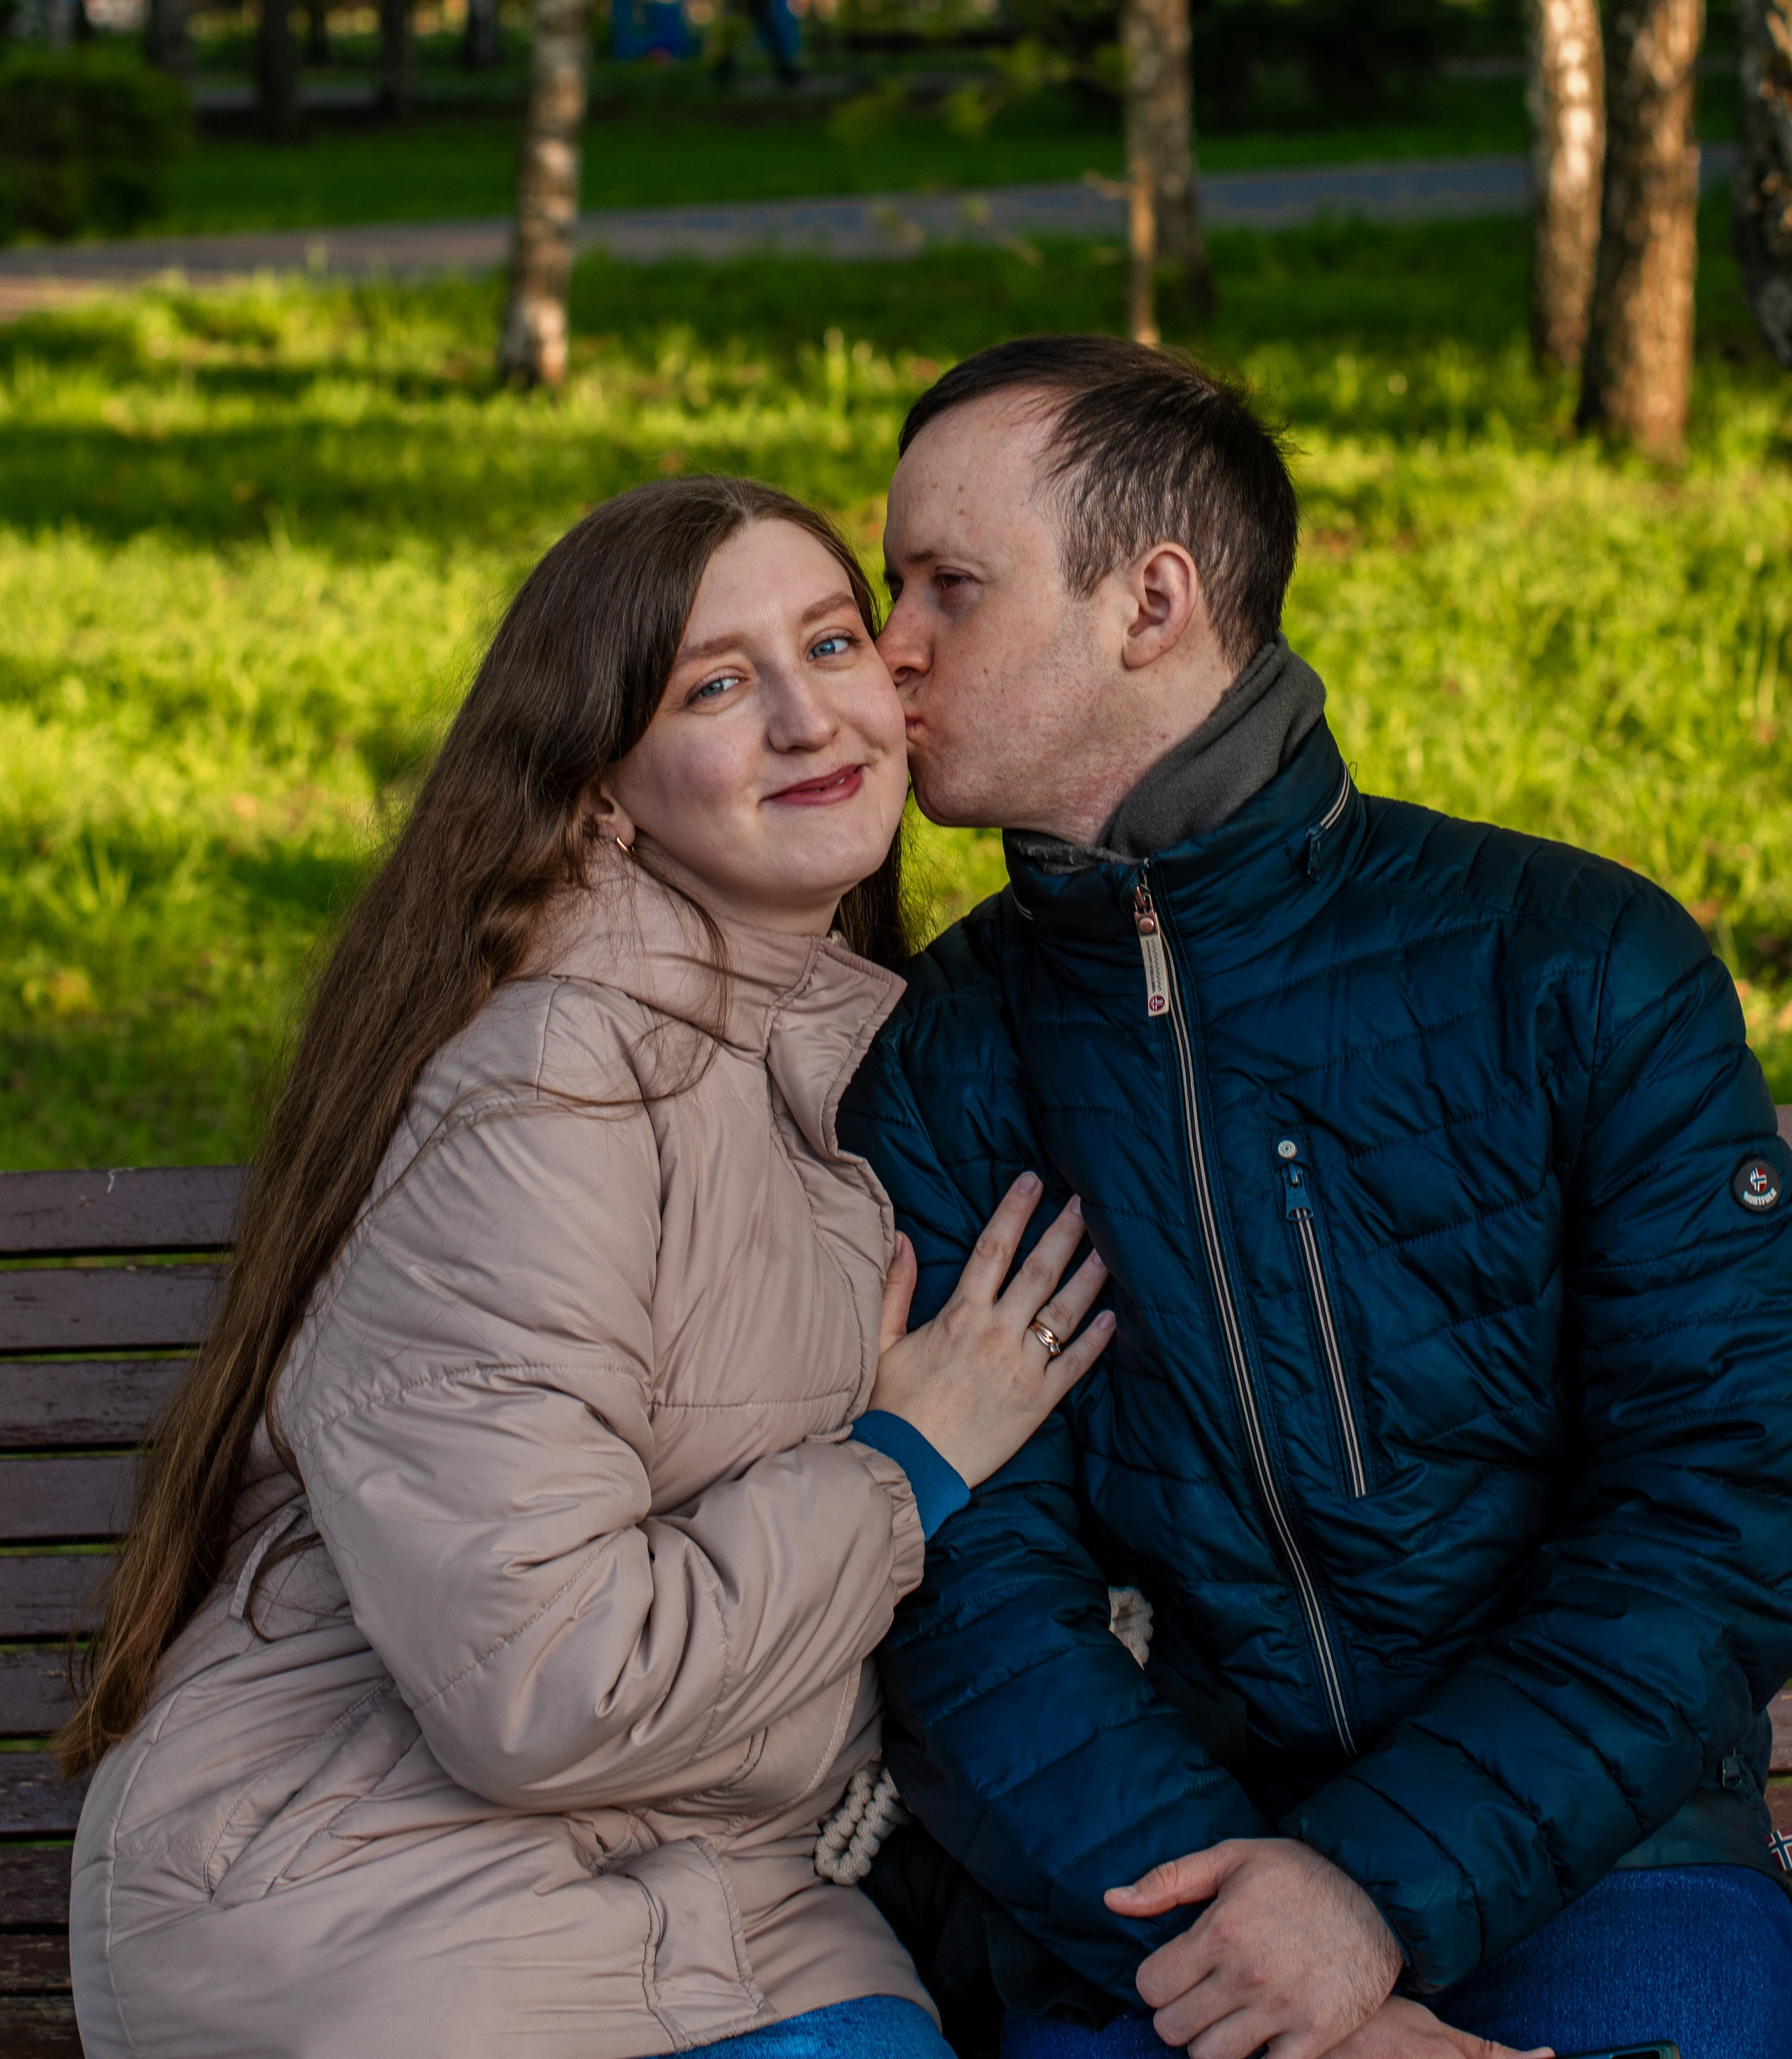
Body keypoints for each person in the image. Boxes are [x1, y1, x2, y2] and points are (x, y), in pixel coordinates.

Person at [63, 475, 1112, 2059]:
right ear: (604, 788)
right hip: (376, 1906)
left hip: (729, 1901)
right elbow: (544, 1684)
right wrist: (906, 1461)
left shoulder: (850, 1055)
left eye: (830, 645)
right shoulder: (552, 1088)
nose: (806, 720)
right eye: (714, 686)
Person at [841, 334, 1792, 2059]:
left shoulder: (1575, 967)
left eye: (946, 587)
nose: (888, 645)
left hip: (1599, 1845)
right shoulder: (944, 1057)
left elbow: (1714, 1502)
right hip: (1137, 1881)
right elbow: (968, 1600)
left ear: (1149, 603)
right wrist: (1282, 1969)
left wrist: (1364, 1893)